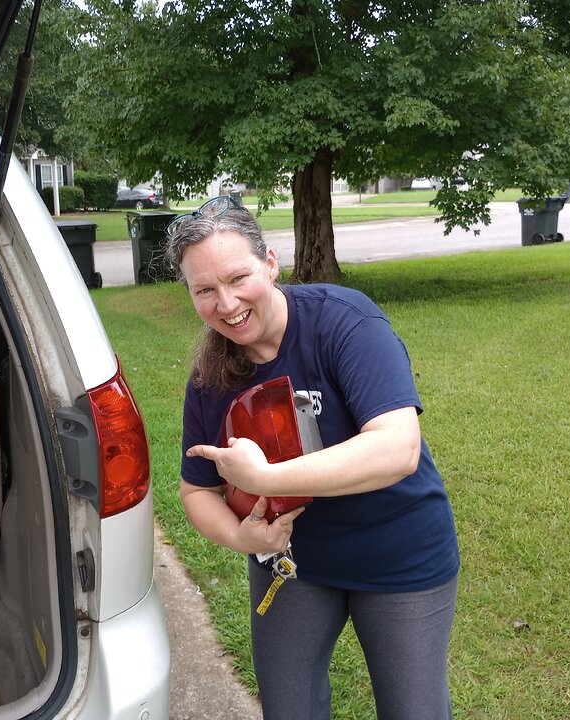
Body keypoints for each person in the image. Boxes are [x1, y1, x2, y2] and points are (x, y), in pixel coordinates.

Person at [165, 195, 461, 720]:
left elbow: (398, 448)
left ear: (271, 263)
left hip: (398, 552)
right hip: (294, 563)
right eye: (205, 290)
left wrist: (268, 477)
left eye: (238, 278)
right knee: (289, 708)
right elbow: (196, 491)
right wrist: (239, 536)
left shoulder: (342, 321)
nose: (227, 304)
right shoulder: (209, 378)